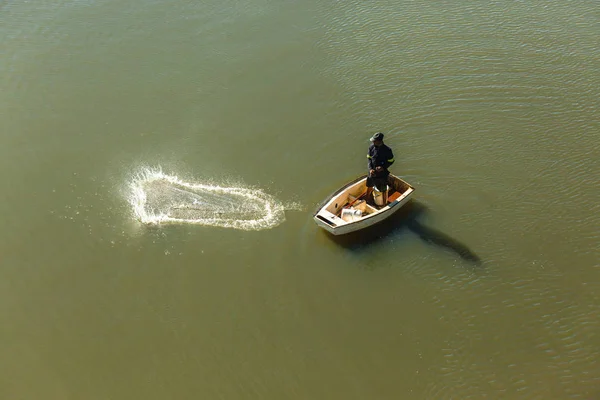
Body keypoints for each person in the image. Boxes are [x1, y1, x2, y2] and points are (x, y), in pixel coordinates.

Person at [366, 132, 395, 204]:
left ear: (380, 141)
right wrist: (370, 169)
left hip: (382, 173)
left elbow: (391, 161)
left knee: (383, 189)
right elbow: (369, 158)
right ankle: (367, 198)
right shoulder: (371, 147)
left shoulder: (387, 150)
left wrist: (383, 167)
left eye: (374, 141)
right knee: (369, 185)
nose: (373, 142)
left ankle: (384, 203)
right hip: (372, 172)